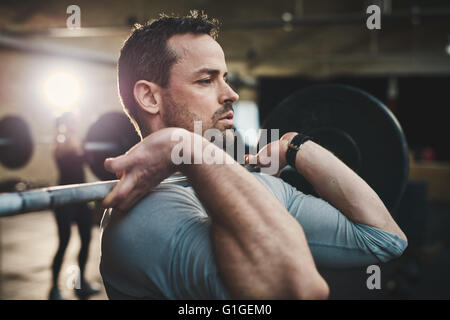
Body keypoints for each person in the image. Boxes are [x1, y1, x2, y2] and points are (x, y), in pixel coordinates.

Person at [99, 11, 408, 299]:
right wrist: (186, 145)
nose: (231, 94)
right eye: (206, 80)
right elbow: (298, 290)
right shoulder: (141, 224)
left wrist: (296, 146)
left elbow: (385, 239)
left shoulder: (253, 183)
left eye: (224, 77)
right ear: (150, 97)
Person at [49, 112, 100, 300]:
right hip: (64, 199)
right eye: (73, 120)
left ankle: (80, 285)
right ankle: (54, 289)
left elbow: (89, 159)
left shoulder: (77, 141)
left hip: (80, 198)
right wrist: (85, 147)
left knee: (86, 240)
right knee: (64, 243)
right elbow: (71, 153)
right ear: (66, 122)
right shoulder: (61, 140)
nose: (77, 123)